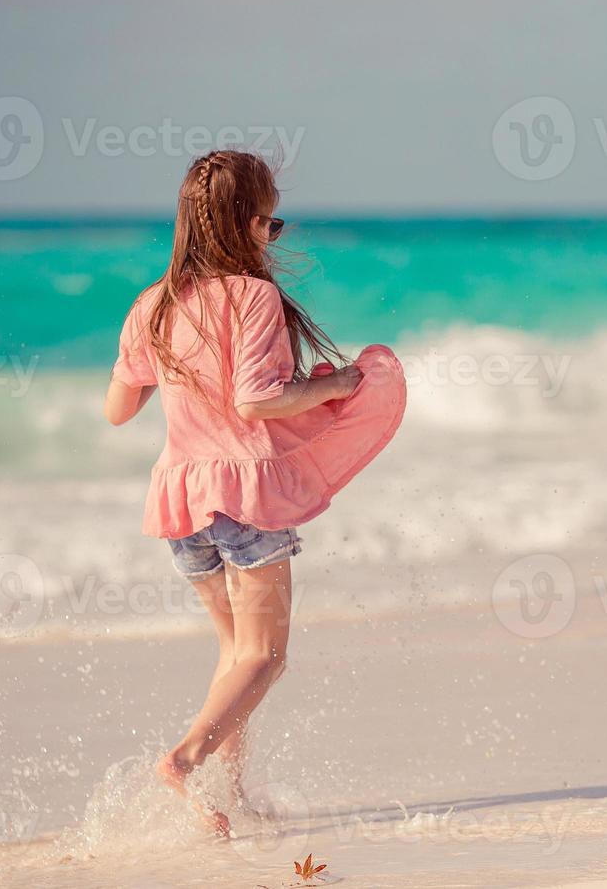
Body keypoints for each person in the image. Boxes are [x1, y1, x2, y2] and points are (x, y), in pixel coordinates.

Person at [104, 150, 406, 832]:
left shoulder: (152, 304)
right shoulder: (254, 297)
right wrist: (334, 386)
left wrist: (166, 366)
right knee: (266, 658)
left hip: (181, 500)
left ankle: (230, 795)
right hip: (245, 497)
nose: (273, 239)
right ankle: (183, 760)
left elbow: (118, 409)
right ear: (240, 224)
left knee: (234, 654)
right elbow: (255, 400)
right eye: (268, 224)